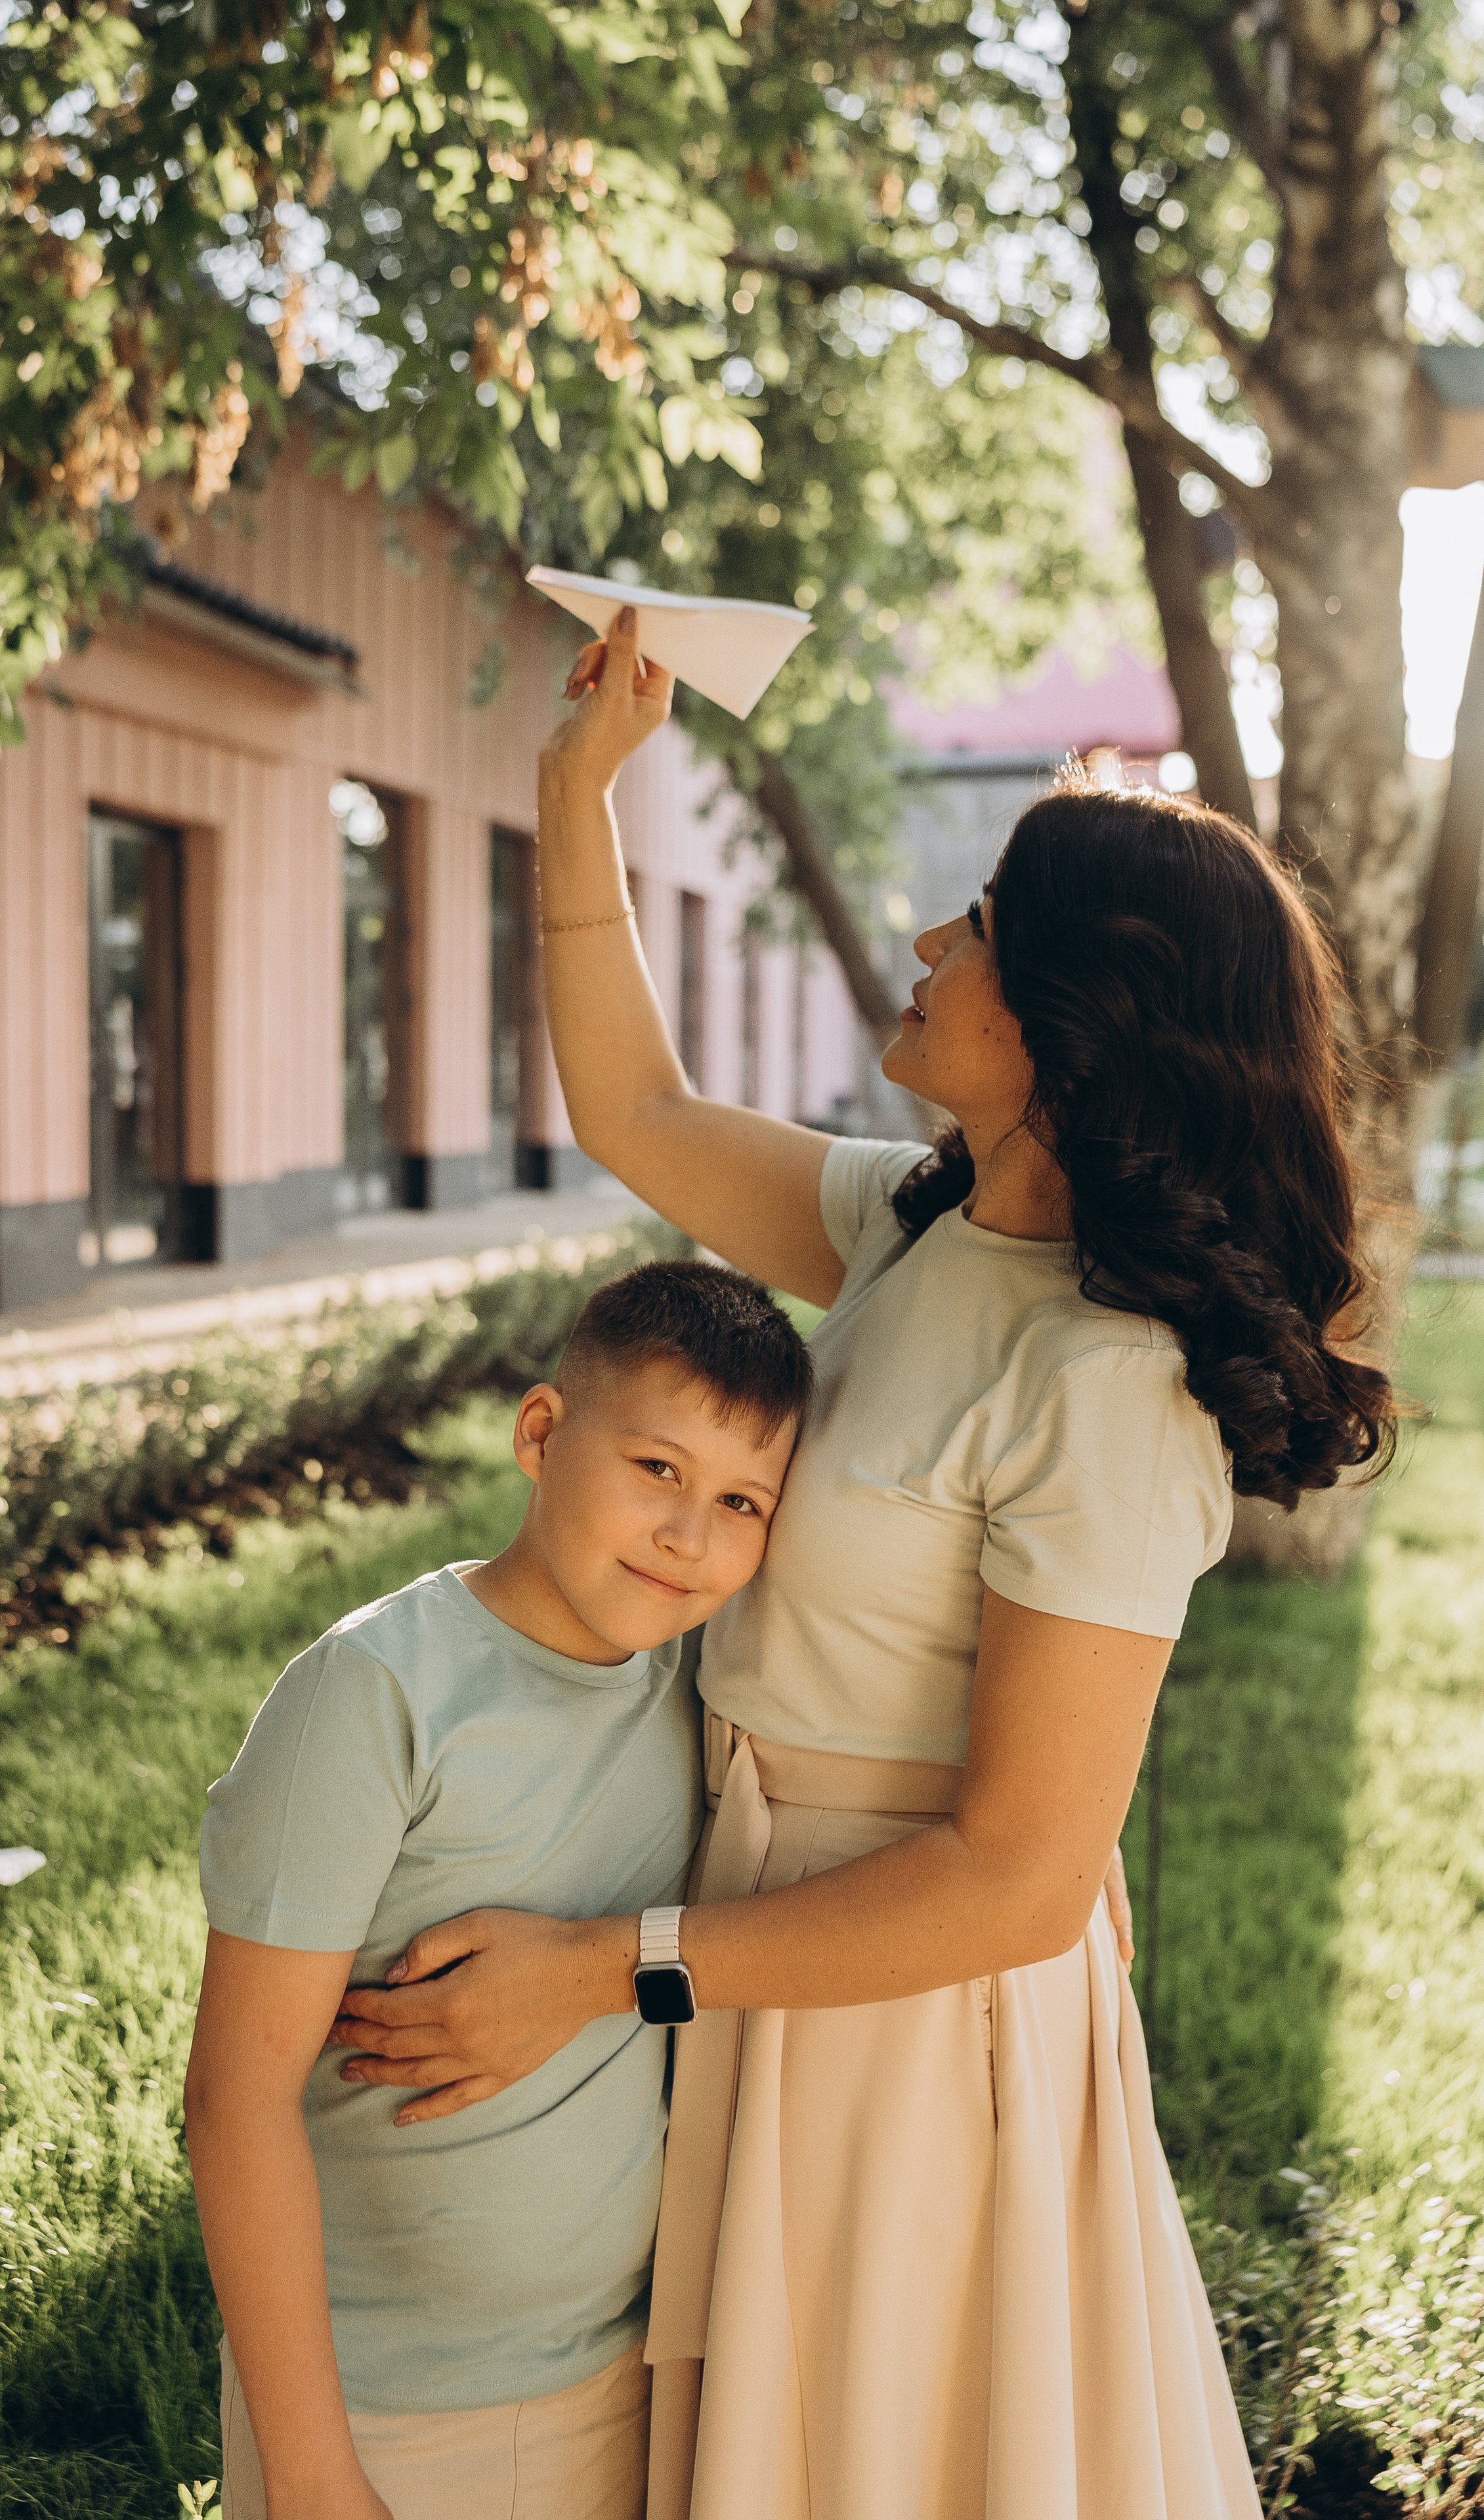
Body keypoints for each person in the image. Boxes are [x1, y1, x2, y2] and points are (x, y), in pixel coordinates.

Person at [326, 608, 1396, 2520]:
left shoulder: (1109, 1380)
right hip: (759, 1947)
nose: (928, 940)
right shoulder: (918, 1224)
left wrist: (600, 1973)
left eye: (978, 928)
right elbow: (635, 1111)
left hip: (900, 2019)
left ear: (1078, 1017)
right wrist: (579, 795)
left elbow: (1016, 1880)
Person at [183, 1258, 812, 2520]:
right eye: (658, 1471)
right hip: (374, 2403)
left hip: (619, 2378)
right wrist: (312, 2474)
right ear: (541, 1433)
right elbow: (230, 2102)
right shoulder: (376, 1696)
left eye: (744, 1500)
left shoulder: (698, 1689)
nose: (691, 1537)